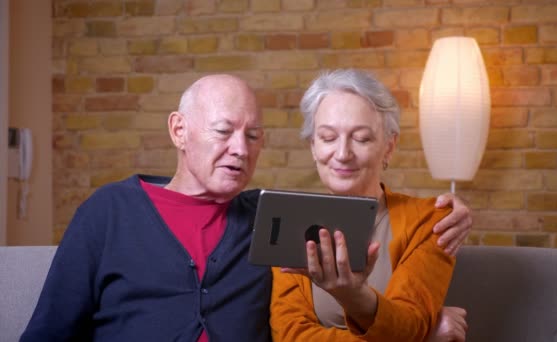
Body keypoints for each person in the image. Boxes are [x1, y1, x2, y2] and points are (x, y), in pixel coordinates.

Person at [21, 73, 470, 341]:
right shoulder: (110, 212)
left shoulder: (273, 217)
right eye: (223, 131)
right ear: (179, 130)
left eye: (253, 136)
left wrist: (457, 213)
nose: (240, 149)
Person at [270, 69, 468, 341]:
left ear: (389, 146)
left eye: (361, 138)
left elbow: (410, 324)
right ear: (313, 146)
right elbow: (291, 336)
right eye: (328, 137)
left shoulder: (431, 222)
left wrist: (354, 296)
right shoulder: (288, 222)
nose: (342, 154)